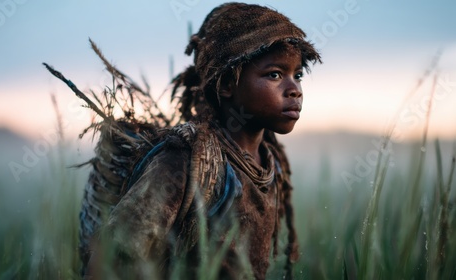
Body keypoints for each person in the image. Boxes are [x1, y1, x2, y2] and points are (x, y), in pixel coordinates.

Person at [84, 2, 321, 279]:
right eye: (274, 75)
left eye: (298, 75)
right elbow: (112, 259)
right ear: (227, 85)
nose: (294, 90)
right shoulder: (187, 162)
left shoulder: (271, 165)